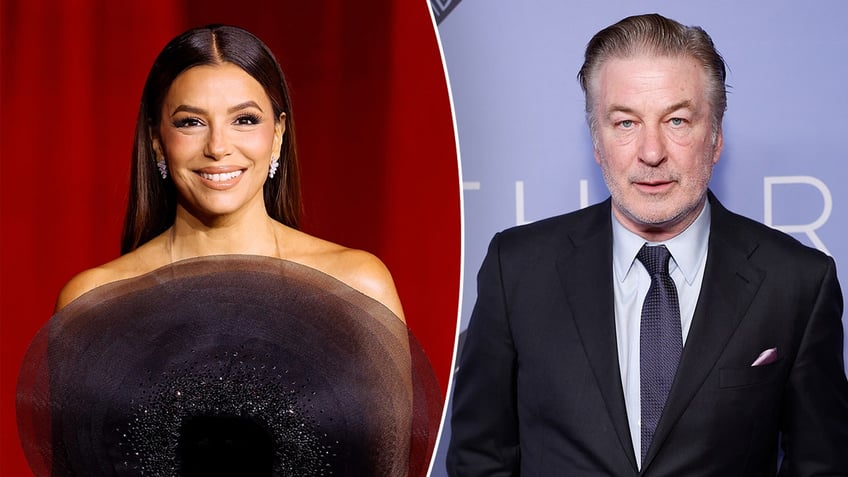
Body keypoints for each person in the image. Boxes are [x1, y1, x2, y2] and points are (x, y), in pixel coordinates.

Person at [17, 24, 440, 476]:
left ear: (277, 133)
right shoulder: (95, 300)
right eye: (190, 122)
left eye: (244, 119)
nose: (218, 147)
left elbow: (388, 465)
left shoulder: (356, 285)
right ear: (157, 138)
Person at [447, 13, 848, 476]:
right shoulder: (516, 269)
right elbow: (480, 458)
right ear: (597, 141)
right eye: (625, 123)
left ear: (715, 137)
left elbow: (821, 465)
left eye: (676, 120)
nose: (651, 152)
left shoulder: (796, 282)